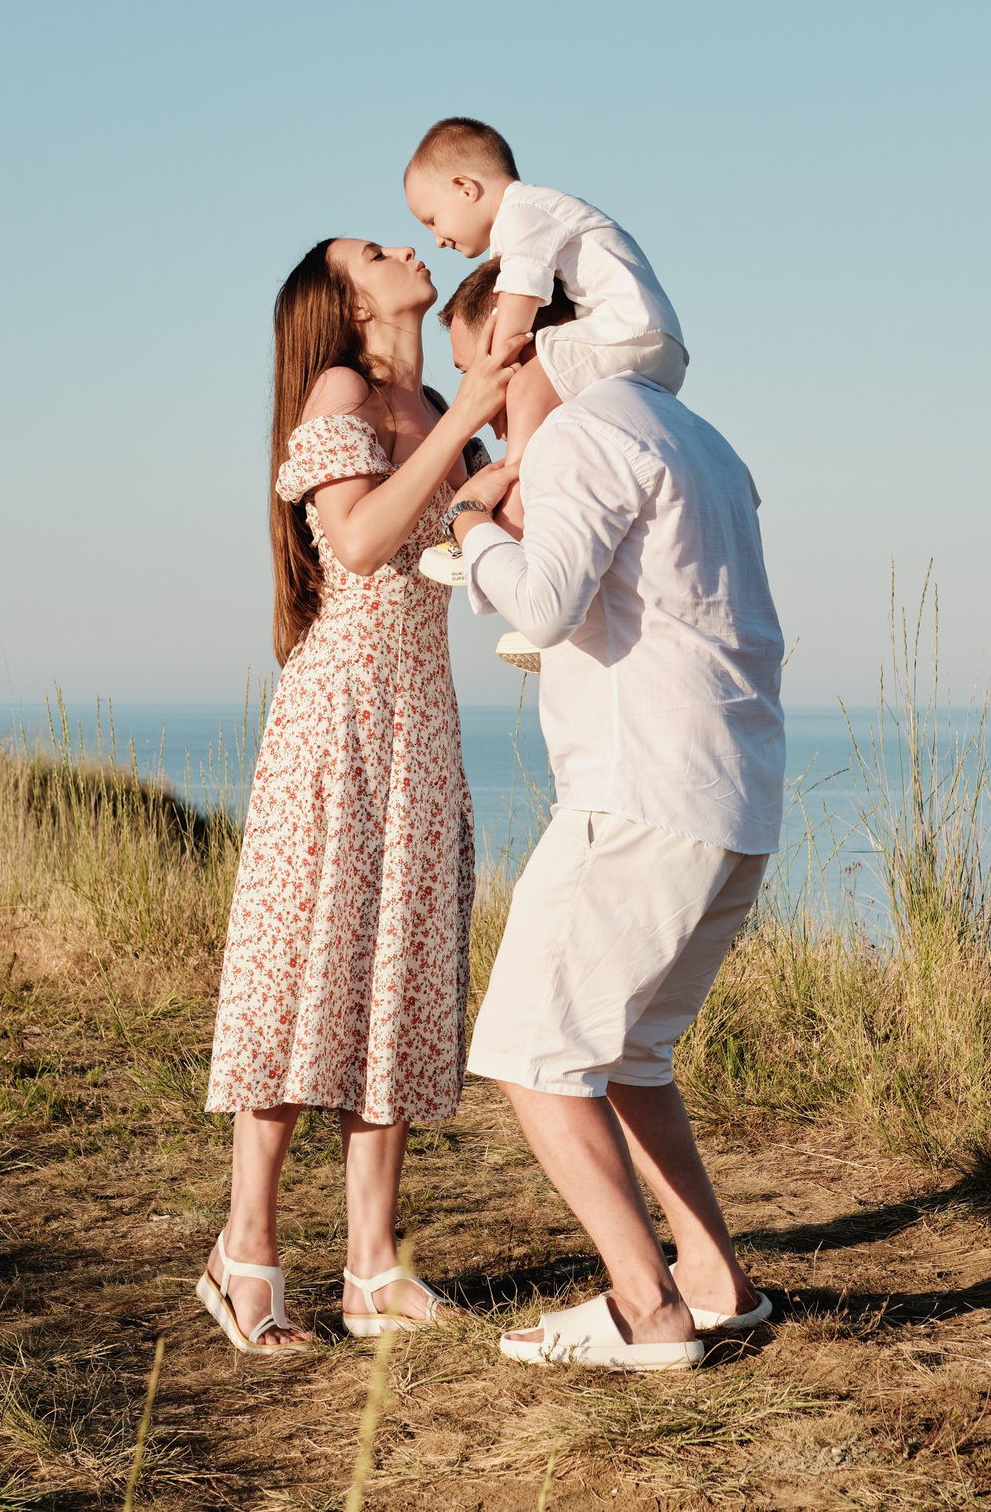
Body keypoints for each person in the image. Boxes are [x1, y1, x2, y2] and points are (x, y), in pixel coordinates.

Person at [194, 237, 525, 1354]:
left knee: (395, 978)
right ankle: (245, 1251)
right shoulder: (345, 391)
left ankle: (372, 1269)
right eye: (374, 251)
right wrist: (462, 418)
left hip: (422, 721)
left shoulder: (435, 398)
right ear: (344, 302)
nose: (405, 247)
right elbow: (363, 538)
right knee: (308, 972)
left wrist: (511, 426)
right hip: (337, 718)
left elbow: (479, 520)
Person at [442, 342, 786, 1372]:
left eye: (484, 373)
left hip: (640, 791)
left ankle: (646, 1309)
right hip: (734, 796)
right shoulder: (695, 437)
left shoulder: (582, 432)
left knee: (529, 1053)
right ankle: (714, 1282)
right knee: (630, 1055)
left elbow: (542, 608)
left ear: (528, 349)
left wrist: (467, 526)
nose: (493, 413)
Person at [401, 117, 685, 546]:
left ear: (465, 188)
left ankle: (512, 515)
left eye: (432, 220)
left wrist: (488, 373)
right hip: (650, 342)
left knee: (526, 386)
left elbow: (518, 304)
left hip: (631, 332)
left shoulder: (523, 214)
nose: (436, 239)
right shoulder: (535, 214)